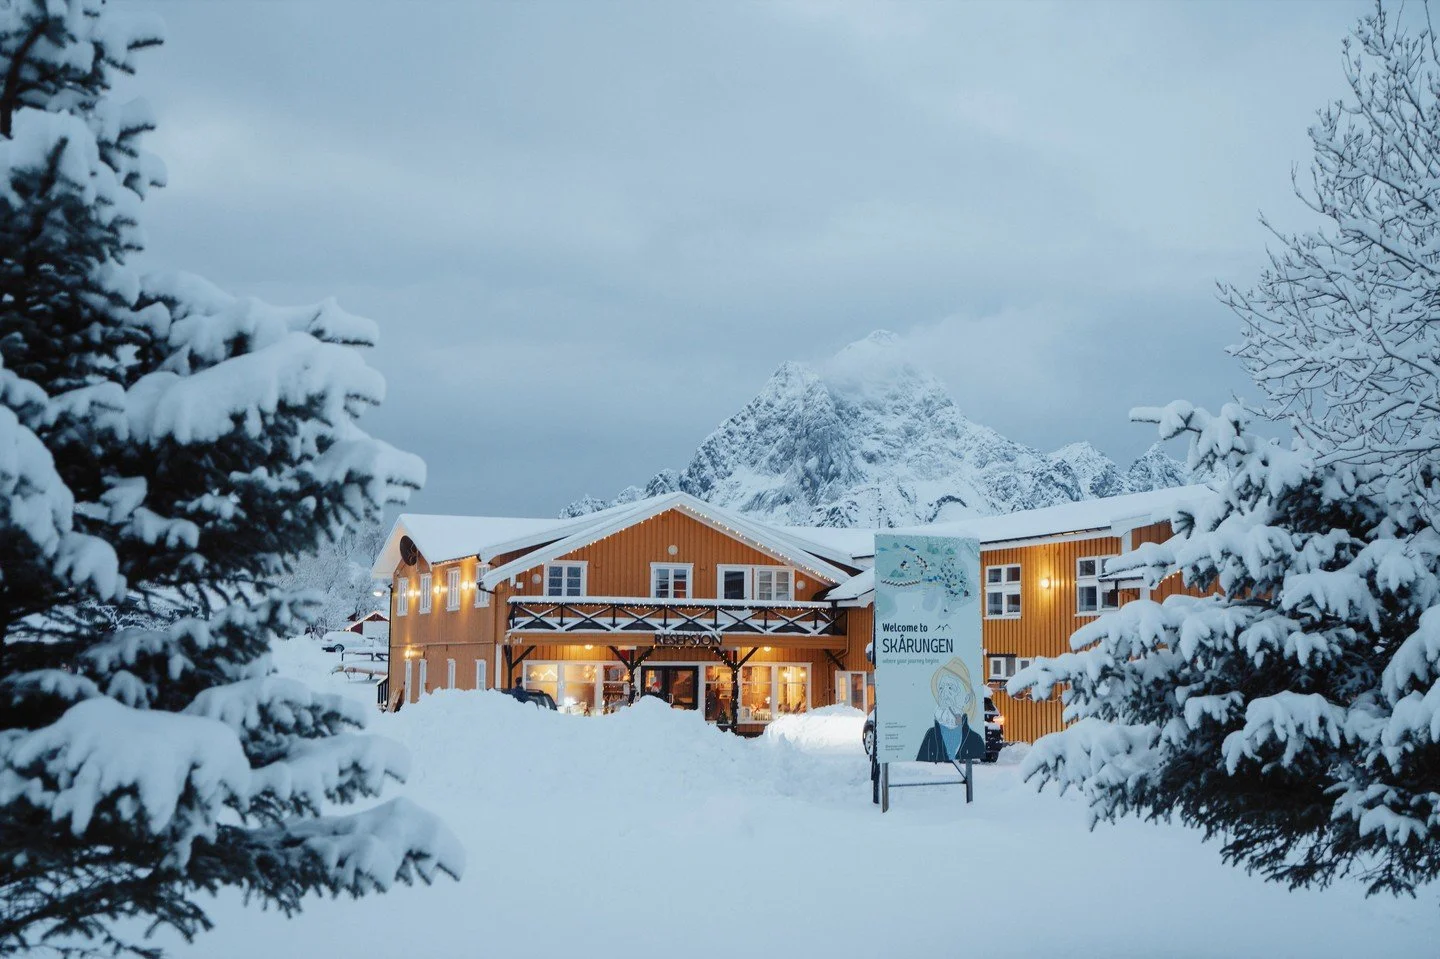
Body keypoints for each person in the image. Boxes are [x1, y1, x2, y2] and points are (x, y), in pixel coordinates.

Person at [915, 657, 985, 762]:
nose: (944, 694)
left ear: (966, 698)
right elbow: (921, 767)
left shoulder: (975, 739)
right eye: (941, 688)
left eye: (951, 688)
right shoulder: (931, 736)